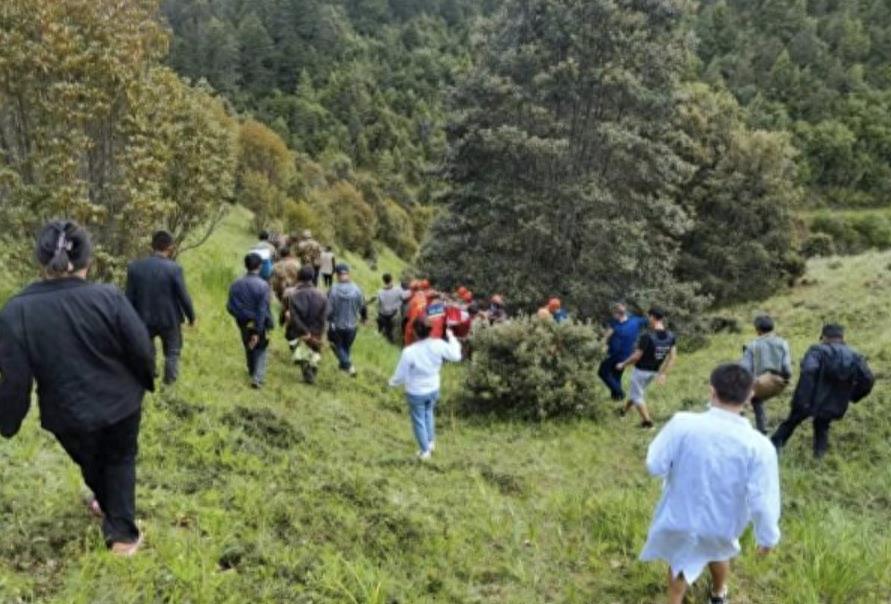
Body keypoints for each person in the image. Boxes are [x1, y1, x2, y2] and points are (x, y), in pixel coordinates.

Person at [0, 221, 155, 556]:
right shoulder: (109, 296)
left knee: (91, 460)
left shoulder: (16, 311)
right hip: (121, 401)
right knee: (119, 459)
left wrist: (7, 421)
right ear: (89, 261)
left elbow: (15, 380)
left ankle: (111, 513)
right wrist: (146, 378)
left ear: (40, 261)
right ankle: (123, 536)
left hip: (67, 413)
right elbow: (141, 347)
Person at [641, 364, 781, 604]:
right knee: (718, 551)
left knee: (680, 563)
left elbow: (655, 465)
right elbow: (763, 500)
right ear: (750, 396)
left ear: (711, 390)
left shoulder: (682, 423)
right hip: (722, 525)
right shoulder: (759, 445)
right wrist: (767, 538)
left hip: (679, 517)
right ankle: (718, 594)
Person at [771, 324, 874, 458]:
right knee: (822, 427)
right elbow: (868, 378)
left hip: (809, 399)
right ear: (842, 337)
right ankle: (819, 459)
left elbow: (809, 370)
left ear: (824, 337)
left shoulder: (817, 351)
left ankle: (771, 451)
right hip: (834, 403)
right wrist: (853, 396)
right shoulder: (855, 355)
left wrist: (802, 398)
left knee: (790, 423)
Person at [125, 230, 195, 386]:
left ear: (152, 246)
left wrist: (127, 320)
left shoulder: (135, 267)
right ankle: (169, 384)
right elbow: (183, 296)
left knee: (146, 348)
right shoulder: (174, 269)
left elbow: (128, 297)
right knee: (172, 351)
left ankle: (150, 374)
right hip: (169, 319)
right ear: (170, 248)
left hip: (143, 317)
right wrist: (191, 317)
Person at [389, 319, 462, 459]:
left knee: (418, 420)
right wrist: (451, 337)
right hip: (433, 388)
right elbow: (456, 356)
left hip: (416, 391)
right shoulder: (438, 344)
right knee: (428, 414)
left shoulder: (409, 351)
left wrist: (392, 383)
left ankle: (424, 451)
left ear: (414, 332)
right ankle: (430, 443)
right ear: (430, 330)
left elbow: (400, 375)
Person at [617, 307, 677, 429]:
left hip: (640, 371)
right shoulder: (671, 336)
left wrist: (623, 364)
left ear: (653, 317)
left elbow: (637, 356)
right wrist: (663, 374)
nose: (648, 319)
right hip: (654, 372)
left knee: (637, 396)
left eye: (649, 317)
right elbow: (673, 357)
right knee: (636, 392)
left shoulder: (647, 336)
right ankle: (623, 411)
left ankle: (648, 424)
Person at [227, 253, 274, 389]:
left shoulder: (235, 284)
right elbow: (262, 309)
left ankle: (252, 370)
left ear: (245, 265)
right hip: (259, 320)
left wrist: (240, 316)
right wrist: (258, 330)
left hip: (243, 321)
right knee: (261, 347)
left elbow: (229, 306)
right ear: (259, 266)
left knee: (248, 344)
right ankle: (258, 377)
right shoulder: (263, 286)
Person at [740, 315, 793, 434]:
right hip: (779, 383)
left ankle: (740, 421)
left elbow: (745, 369)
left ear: (757, 330)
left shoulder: (752, 345)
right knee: (756, 399)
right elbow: (787, 368)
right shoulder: (783, 343)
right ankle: (762, 429)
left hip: (761, 383)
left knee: (746, 395)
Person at [284, 265, 328, 384]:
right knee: (314, 351)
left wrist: (304, 331)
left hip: (300, 330)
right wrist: (320, 332)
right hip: (316, 330)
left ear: (299, 277)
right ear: (312, 277)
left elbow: (294, 317)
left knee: (301, 349)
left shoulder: (294, 295)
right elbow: (323, 317)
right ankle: (312, 371)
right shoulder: (322, 295)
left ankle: (307, 371)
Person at [599, 303, 648, 402]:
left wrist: (601, 345)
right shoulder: (636, 320)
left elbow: (606, 336)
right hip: (626, 356)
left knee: (602, 372)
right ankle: (616, 399)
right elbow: (648, 321)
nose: (613, 316)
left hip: (612, 354)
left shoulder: (615, 324)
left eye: (614, 314)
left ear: (618, 314)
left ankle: (620, 393)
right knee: (616, 376)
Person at [327, 263, 367, 376]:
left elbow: (328, 308)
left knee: (335, 345)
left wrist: (327, 320)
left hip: (336, 326)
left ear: (337, 275)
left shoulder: (333, 290)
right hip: (352, 326)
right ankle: (343, 371)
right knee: (346, 347)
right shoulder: (357, 289)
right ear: (348, 274)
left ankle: (348, 366)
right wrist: (364, 318)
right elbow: (363, 306)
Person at [374, 273, 403, 344]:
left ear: (383, 281)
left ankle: (381, 343)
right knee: (390, 333)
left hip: (382, 315)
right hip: (393, 315)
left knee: (381, 332)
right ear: (392, 279)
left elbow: (378, 304)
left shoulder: (380, 292)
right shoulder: (398, 290)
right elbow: (404, 297)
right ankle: (390, 343)